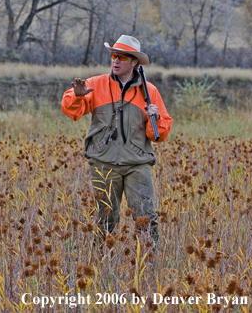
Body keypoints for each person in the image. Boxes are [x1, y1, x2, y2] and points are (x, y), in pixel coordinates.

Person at [61, 35, 172, 248]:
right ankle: (103, 266)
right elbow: (72, 112)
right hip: (103, 163)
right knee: (105, 220)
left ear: (134, 62)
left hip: (137, 164)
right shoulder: (94, 84)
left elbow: (159, 135)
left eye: (122, 56)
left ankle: (148, 266)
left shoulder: (149, 91)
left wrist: (154, 118)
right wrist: (76, 96)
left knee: (145, 219)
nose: (116, 60)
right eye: (113, 55)